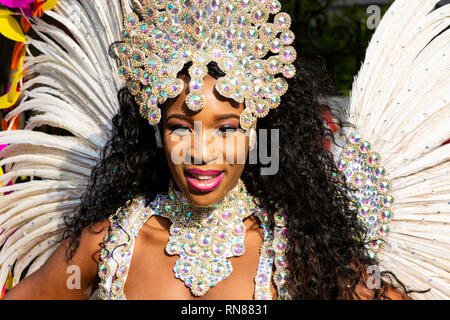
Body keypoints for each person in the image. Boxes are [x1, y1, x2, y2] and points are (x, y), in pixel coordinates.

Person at [0, 0, 448, 300]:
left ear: (258, 134)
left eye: (227, 129)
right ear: (155, 133)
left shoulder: (296, 251)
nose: (201, 151)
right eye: (180, 127)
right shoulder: (108, 242)